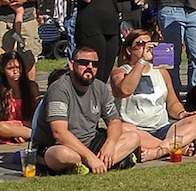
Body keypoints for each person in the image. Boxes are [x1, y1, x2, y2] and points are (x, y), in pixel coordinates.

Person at [37, 44, 145, 174]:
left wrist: (110, 145)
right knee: (65, 155)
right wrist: (89, 157)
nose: (89, 67)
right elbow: (59, 133)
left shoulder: (100, 87)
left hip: (92, 142)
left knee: (133, 137)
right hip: (59, 146)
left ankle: (89, 166)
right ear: (72, 65)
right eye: (84, 63)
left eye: (94, 64)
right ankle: (108, 162)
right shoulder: (59, 89)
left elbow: (114, 121)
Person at [111, 29, 196, 155]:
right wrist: (142, 61)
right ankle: (174, 146)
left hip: (162, 128)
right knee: (123, 129)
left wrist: (181, 113)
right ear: (129, 50)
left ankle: (158, 151)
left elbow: (172, 103)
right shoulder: (120, 72)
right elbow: (125, 90)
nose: (147, 47)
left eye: (149, 43)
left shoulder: (161, 72)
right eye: (141, 44)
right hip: (135, 130)